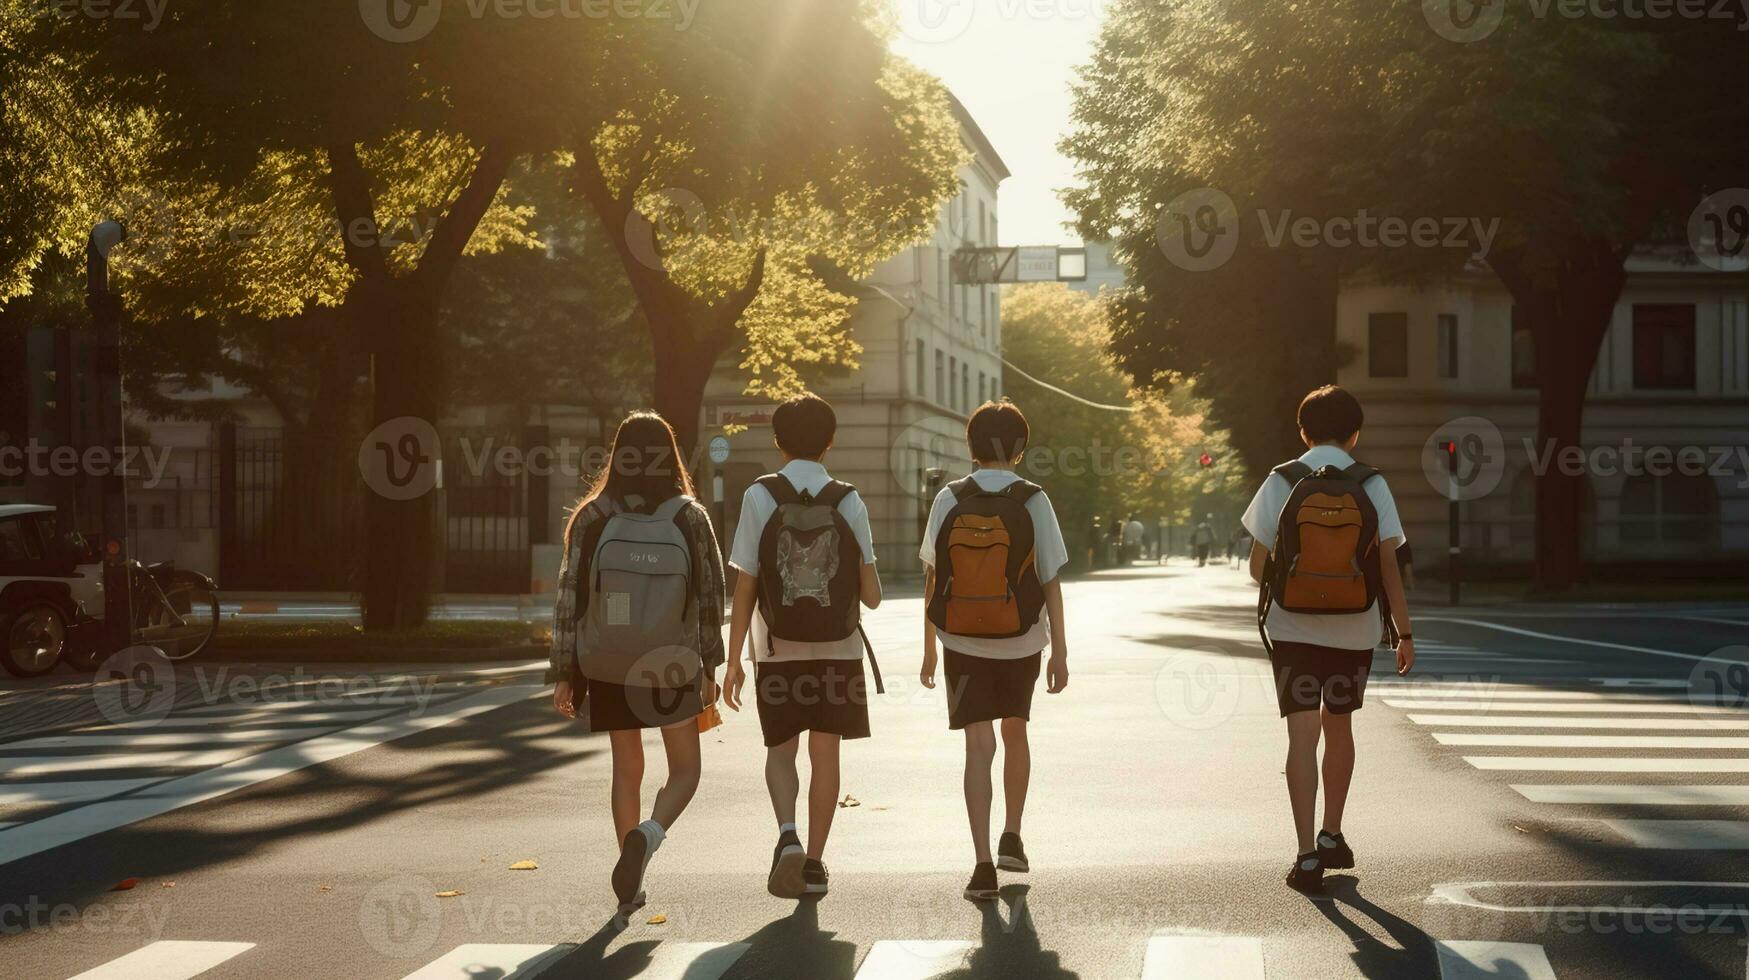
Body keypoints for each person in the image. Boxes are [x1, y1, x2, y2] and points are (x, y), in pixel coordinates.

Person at [550, 411, 726, 918]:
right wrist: (710, 666)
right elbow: (711, 596)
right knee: (685, 771)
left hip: (607, 661)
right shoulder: (688, 515)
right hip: (671, 661)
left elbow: (569, 598)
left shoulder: (592, 515)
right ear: (672, 456)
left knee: (626, 768)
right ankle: (648, 838)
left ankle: (629, 887)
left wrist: (566, 670)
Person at [1242, 385, 1415, 894]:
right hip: (1355, 629)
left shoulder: (1283, 479)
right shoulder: (1371, 482)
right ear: (1355, 433)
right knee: (1338, 728)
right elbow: (1387, 566)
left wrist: (1297, 589)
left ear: (1302, 431)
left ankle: (1306, 857)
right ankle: (1333, 833)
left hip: (1293, 632)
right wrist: (1403, 632)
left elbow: (1257, 566)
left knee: (1301, 737)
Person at [722, 394, 883, 900]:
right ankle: (815, 863)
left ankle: (787, 836)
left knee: (781, 750)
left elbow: (745, 584)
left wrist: (732, 662)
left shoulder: (759, 495)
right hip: (838, 650)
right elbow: (874, 597)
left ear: (777, 441)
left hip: (775, 648)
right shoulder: (848, 498)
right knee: (826, 754)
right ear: (830, 441)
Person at [919, 400, 1070, 902]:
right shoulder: (1033, 499)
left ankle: (982, 864)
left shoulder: (949, 497)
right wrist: (1060, 650)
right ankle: (1013, 836)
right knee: (1016, 733)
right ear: (1020, 449)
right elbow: (1050, 578)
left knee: (977, 748)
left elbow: (933, 577)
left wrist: (929, 650)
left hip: (960, 640)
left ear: (972, 445)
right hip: (1021, 638)